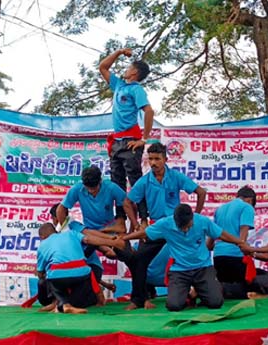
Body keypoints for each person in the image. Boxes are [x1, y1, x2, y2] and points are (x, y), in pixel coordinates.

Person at [118, 142, 206, 310]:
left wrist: (195, 216)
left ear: (165, 159)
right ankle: (139, 299)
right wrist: (137, 225)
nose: (153, 163)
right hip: (157, 227)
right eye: (150, 159)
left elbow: (201, 192)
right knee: (139, 260)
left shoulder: (176, 176)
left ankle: (198, 293)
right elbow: (127, 202)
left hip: (177, 226)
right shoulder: (145, 181)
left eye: (157, 159)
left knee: (192, 258)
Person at [123, 204, 246, 311]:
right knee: (174, 306)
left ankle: (199, 292)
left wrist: (240, 242)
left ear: (192, 218)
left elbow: (222, 234)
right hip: (179, 270)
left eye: (187, 225)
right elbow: (145, 233)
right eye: (181, 227)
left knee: (216, 303)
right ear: (175, 221)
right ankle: (187, 295)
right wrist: (124, 238)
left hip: (203, 268)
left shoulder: (202, 221)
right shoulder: (165, 224)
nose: (185, 229)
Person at [98, 47, 154, 225]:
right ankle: (121, 219)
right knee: (117, 183)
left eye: (129, 67)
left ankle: (144, 218)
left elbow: (149, 111)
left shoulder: (136, 90)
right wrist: (119, 52)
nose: (126, 69)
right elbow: (103, 68)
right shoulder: (119, 85)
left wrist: (143, 139)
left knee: (135, 180)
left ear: (135, 72)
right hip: (117, 141)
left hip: (131, 140)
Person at [36, 222, 124, 314]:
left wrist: (42, 273)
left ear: (42, 236)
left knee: (50, 277)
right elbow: (88, 240)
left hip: (59, 277)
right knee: (84, 272)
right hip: (82, 274)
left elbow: (40, 273)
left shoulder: (42, 245)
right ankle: (62, 304)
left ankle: (60, 304)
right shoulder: (72, 233)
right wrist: (112, 242)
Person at [208, 186, 257, 299]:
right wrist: (245, 248)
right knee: (242, 291)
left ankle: (206, 291)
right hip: (235, 254)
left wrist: (212, 246)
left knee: (223, 291)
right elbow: (243, 234)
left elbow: (212, 236)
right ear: (250, 200)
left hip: (218, 255)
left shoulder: (220, 209)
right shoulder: (247, 207)